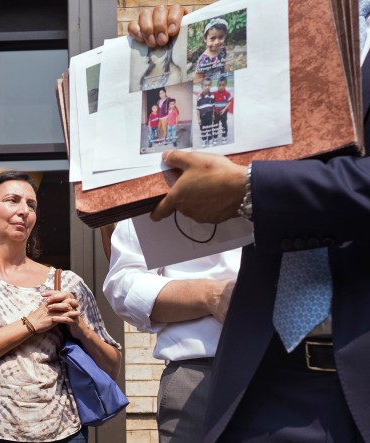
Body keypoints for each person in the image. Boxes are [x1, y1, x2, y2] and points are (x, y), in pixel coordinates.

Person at [133, 5, 370, 441]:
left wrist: (253, 190)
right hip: (256, 376)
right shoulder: (273, 30)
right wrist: (172, 47)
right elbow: (127, 276)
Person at [0, 172, 122, 443]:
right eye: (13, 200)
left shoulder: (67, 283)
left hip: (62, 432)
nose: (24, 210)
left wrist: (79, 327)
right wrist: (32, 323)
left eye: (31, 205)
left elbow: (112, 368)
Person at [104, 219, 237, 442]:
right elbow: (124, 284)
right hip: (201, 375)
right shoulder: (152, 193)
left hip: (295, 364)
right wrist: (210, 296)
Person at [212, 76, 232, 145]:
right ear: (217, 85)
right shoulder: (213, 94)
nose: (221, 87)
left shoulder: (227, 94)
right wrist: (213, 113)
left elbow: (229, 102)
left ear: (225, 85)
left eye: (223, 85)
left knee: (224, 125)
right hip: (215, 113)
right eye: (219, 85)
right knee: (215, 126)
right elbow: (211, 103)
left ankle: (224, 136)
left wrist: (224, 110)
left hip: (223, 112)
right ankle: (215, 137)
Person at [195, 78, 215, 147]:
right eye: (205, 85)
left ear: (211, 86)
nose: (207, 87)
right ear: (202, 87)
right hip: (202, 117)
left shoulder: (212, 96)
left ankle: (210, 139)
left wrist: (213, 115)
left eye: (209, 85)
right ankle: (204, 139)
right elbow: (197, 109)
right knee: (203, 129)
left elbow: (213, 107)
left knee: (209, 128)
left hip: (209, 116)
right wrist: (198, 119)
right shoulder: (199, 97)